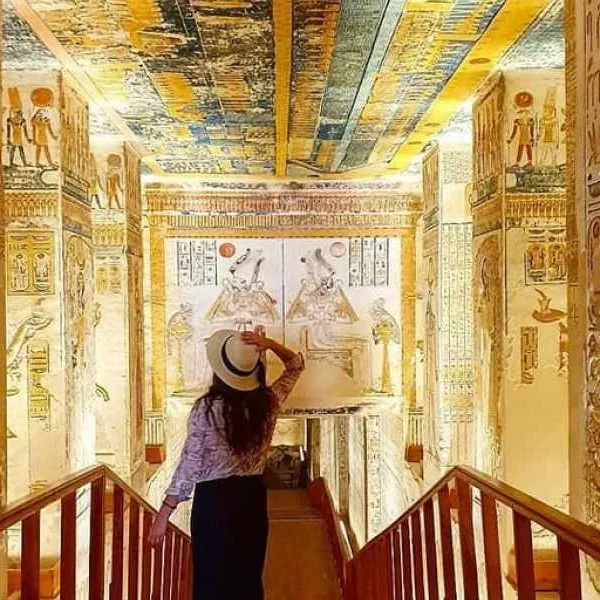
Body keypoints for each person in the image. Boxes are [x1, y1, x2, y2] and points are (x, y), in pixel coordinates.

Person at [149, 327, 304, 599]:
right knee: (247, 581)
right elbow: (295, 366)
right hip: (252, 500)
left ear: (219, 371)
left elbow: (190, 463)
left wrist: (164, 513)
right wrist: (268, 344)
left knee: (211, 582)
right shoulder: (267, 403)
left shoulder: (206, 409)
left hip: (214, 503)